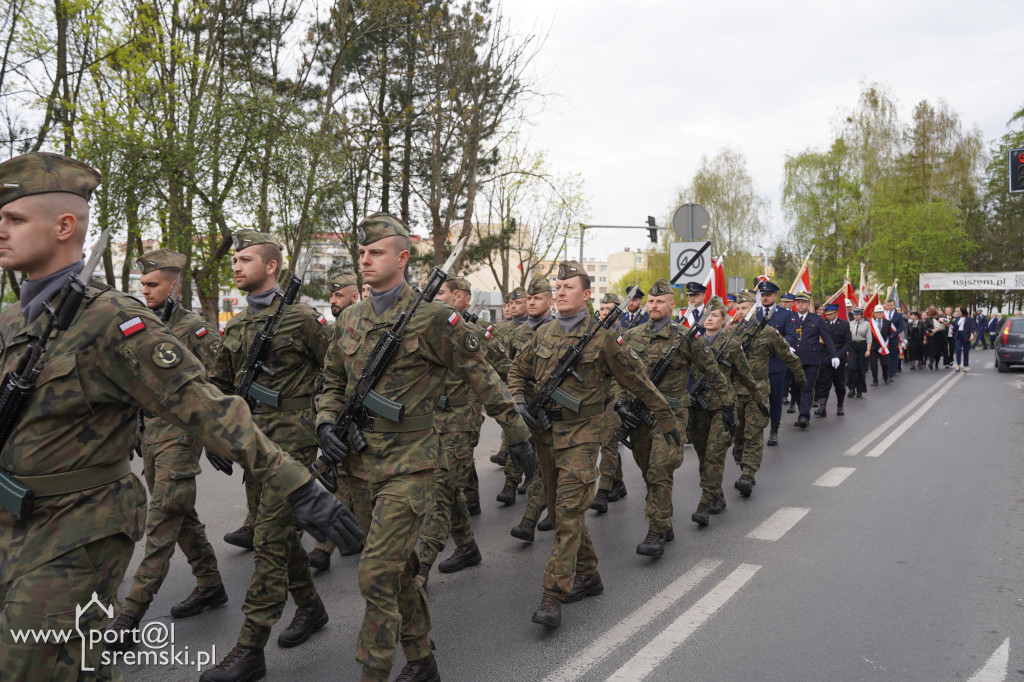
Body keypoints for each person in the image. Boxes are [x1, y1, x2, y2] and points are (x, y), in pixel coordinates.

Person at [0, 152, 359, 681]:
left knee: (29, 663)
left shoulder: (113, 321)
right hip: (16, 514)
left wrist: (302, 483)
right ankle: (280, 595)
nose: (1, 230)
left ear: (64, 226)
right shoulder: (14, 321)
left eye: (14, 219)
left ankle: (234, 634)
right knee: (74, 664)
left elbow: (205, 400)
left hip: (76, 524)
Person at [316, 213, 534, 680]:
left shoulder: (434, 319)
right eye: (362, 254)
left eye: (376, 253)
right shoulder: (350, 319)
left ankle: (372, 671)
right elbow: (331, 380)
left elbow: (484, 375)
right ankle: (421, 660)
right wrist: (326, 423)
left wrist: (516, 433)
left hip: (409, 464)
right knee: (397, 572)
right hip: (356, 464)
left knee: (374, 574)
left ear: (402, 257)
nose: (366, 260)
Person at [507, 261, 679, 628]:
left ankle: (553, 594)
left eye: (569, 286)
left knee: (567, 513)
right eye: (558, 285)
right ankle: (589, 575)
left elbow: (638, 381)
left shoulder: (602, 338)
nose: (560, 291)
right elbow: (517, 371)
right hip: (545, 436)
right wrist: (520, 403)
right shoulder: (543, 333)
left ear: (586, 295)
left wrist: (666, 421)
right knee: (557, 512)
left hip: (583, 436)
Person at [206, 230, 337, 679]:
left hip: (295, 446)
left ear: (271, 266)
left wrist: (326, 423)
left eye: (245, 260)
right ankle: (311, 607)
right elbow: (218, 387)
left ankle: (249, 646)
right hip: (254, 448)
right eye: (234, 260)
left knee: (268, 540)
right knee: (278, 536)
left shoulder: (303, 320)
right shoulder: (239, 326)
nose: (236, 266)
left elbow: (339, 373)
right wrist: (214, 438)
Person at [107, 249, 227, 645]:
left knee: (161, 521)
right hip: (150, 438)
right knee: (181, 512)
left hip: (180, 436)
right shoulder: (143, 326)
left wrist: (215, 437)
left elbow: (218, 385)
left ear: (175, 284)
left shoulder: (196, 330)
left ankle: (130, 616)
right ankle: (210, 583)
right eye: (142, 285)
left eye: (153, 284)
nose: (145, 291)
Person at [614, 279, 731, 554]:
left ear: (671, 305)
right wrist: (620, 403)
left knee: (659, 468)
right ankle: (664, 518)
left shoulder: (685, 337)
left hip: (671, 415)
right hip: (639, 414)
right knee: (647, 469)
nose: (654, 305)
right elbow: (618, 375)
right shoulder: (633, 336)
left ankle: (655, 530)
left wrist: (727, 406)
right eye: (651, 302)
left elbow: (713, 372)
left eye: (659, 301)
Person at [415, 277, 495, 586]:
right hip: (431, 419)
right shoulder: (424, 331)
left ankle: (421, 568)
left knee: (439, 488)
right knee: (447, 488)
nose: (431, 298)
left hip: (460, 419)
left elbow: (500, 371)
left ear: (457, 297)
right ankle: (466, 546)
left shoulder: (471, 334)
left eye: (439, 293)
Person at [686, 297, 762, 525]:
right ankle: (717, 497)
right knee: (702, 456)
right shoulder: (692, 342)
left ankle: (705, 503)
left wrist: (759, 401)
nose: (709, 318)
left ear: (724, 320)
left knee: (714, 455)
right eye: (707, 314)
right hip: (697, 408)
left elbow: (745, 376)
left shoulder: (731, 344)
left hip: (723, 406)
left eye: (715, 315)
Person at [309, 272, 363, 572]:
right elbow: (330, 373)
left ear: (354, 297)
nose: (332, 301)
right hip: (337, 412)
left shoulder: (364, 325)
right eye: (331, 296)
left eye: (338, 296)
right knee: (340, 479)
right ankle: (324, 546)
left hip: (367, 419)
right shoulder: (334, 328)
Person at [732, 290, 804, 495]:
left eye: (744, 308)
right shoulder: (730, 333)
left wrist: (800, 376)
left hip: (758, 391)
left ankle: (748, 473)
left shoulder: (768, 332)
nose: (740, 312)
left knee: (753, 433)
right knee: (738, 437)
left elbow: (787, 354)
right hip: (736, 393)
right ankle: (743, 466)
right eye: (737, 309)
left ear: (753, 309)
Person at [509, 276, 558, 541]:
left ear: (550, 302)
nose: (531, 302)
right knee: (539, 466)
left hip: (555, 412)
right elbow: (511, 370)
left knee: (547, 467)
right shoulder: (517, 334)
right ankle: (547, 511)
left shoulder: (561, 330)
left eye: (537, 298)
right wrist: (517, 402)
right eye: (529, 298)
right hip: (527, 411)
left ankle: (531, 518)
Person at [591, 292, 628, 514]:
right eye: (602, 309)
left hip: (617, 396)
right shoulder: (594, 335)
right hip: (596, 396)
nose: (605, 313)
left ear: (618, 312)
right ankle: (618, 483)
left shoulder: (626, 336)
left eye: (609, 309)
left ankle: (603, 491)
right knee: (608, 442)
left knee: (608, 441)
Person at [488, 287, 528, 471]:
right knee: (512, 420)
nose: (511, 307)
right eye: (509, 304)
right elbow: (497, 357)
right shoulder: (504, 328)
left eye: (516, 303)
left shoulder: (542, 328)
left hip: (535, 386)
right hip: (510, 383)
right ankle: (511, 482)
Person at [755, 280, 798, 446]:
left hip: (776, 364)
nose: (765, 298)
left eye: (768, 295)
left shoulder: (785, 314)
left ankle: (774, 431)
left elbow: (791, 337)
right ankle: (755, 430)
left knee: (775, 399)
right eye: (763, 295)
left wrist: (776, 346)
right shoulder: (755, 313)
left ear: (775, 296)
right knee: (755, 399)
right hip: (756, 365)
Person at [790, 292, 838, 428]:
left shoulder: (816, 319)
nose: (800, 304)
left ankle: (804, 415)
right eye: (798, 302)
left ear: (808, 304)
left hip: (811, 359)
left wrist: (834, 354)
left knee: (807, 386)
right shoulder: (791, 318)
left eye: (803, 302)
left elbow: (826, 338)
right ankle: (802, 411)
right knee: (795, 389)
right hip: (793, 360)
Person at [814, 303, 850, 417]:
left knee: (839, 384)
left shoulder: (844, 324)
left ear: (836, 313)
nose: (828, 316)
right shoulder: (823, 323)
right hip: (825, 357)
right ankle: (822, 407)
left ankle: (840, 406)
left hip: (839, 356)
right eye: (827, 314)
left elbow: (848, 343)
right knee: (824, 383)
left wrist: (838, 356)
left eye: (831, 314)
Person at [847, 307, 871, 397]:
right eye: (854, 314)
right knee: (851, 367)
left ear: (861, 315)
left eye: (857, 314)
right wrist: (847, 349)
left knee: (861, 369)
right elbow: (848, 337)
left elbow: (869, 338)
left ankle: (859, 389)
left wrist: (868, 350)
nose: (855, 316)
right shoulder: (850, 324)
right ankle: (851, 388)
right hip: (852, 346)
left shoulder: (866, 324)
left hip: (862, 346)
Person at [869, 305, 893, 385]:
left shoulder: (888, 322)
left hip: (883, 346)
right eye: (877, 312)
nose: (879, 314)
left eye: (881, 312)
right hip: (873, 347)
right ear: (874, 314)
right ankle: (875, 380)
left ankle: (885, 377)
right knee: (873, 364)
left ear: (883, 313)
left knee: (885, 363)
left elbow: (889, 334)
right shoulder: (870, 323)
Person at [882, 299, 904, 380]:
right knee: (885, 356)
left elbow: (901, 328)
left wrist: (893, 334)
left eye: (891, 305)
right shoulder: (883, 314)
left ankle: (891, 373)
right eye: (888, 305)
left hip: (893, 339)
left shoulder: (898, 315)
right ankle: (886, 372)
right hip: (884, 339)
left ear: (894, 305)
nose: (889, 306)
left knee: (893, 356)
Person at [953, 305, 975, 372]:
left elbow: (972, 328)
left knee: (966, 351)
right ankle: (958, 364)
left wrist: (971, 335)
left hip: (966, 336)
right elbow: (955, 328)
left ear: (962, 311)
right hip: (958, 335)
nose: (958, 312)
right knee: (958, 350)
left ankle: (965, 366)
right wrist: (952, 328)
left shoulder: (969, 319)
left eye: (959, 311)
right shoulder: (957, 318)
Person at [924, 305, 946, 370]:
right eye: (931, 316)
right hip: (932, 337)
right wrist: (931, 330)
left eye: (934, 315)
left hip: (939, 336)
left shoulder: (940, 318)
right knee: (932, 351)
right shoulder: (928, 319)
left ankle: (936, 365)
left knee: (938, 351)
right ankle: (931, 363)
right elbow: (925, 328)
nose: (933, 317)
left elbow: (944, 325)